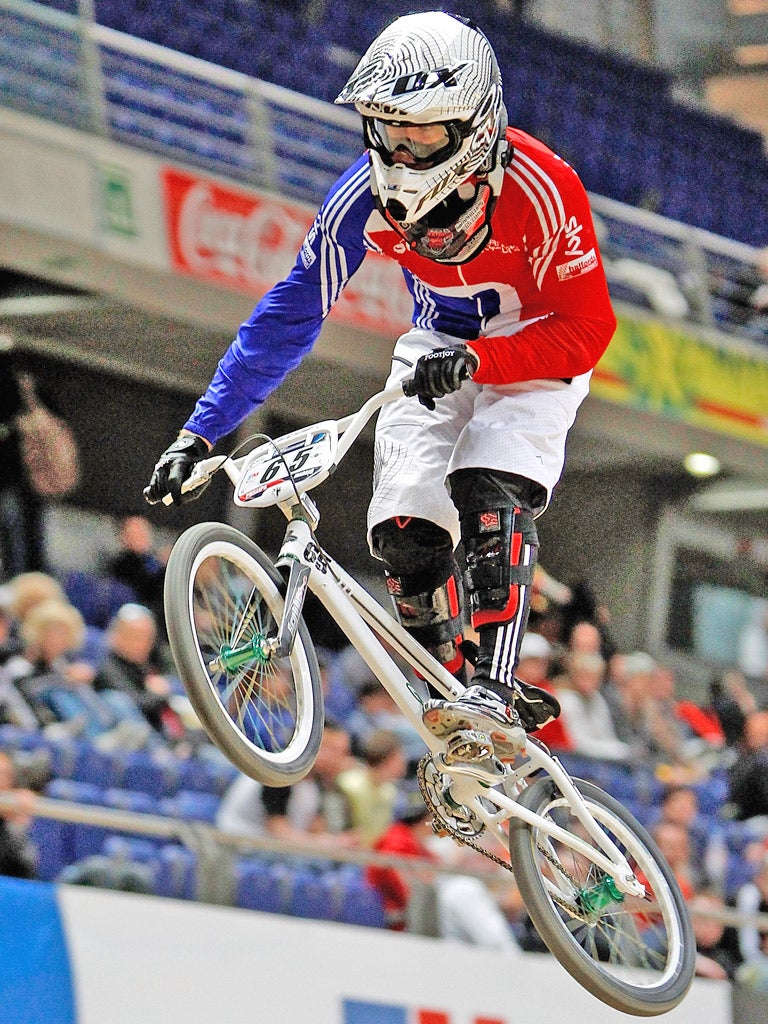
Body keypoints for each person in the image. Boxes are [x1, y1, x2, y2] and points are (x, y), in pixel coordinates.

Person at [145, 12, 616, 765]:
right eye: (384, 132)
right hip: (438, 347)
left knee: (487, 482)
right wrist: (200, 431)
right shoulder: (359, 198)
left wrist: (484, 366)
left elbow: (590, 329)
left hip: (537, 349)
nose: (398, 154)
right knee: (403, 529)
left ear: (475, 126)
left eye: (421, 136)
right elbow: (289, 313)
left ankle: (496, 688)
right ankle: (447, 692)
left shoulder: (546, 189)